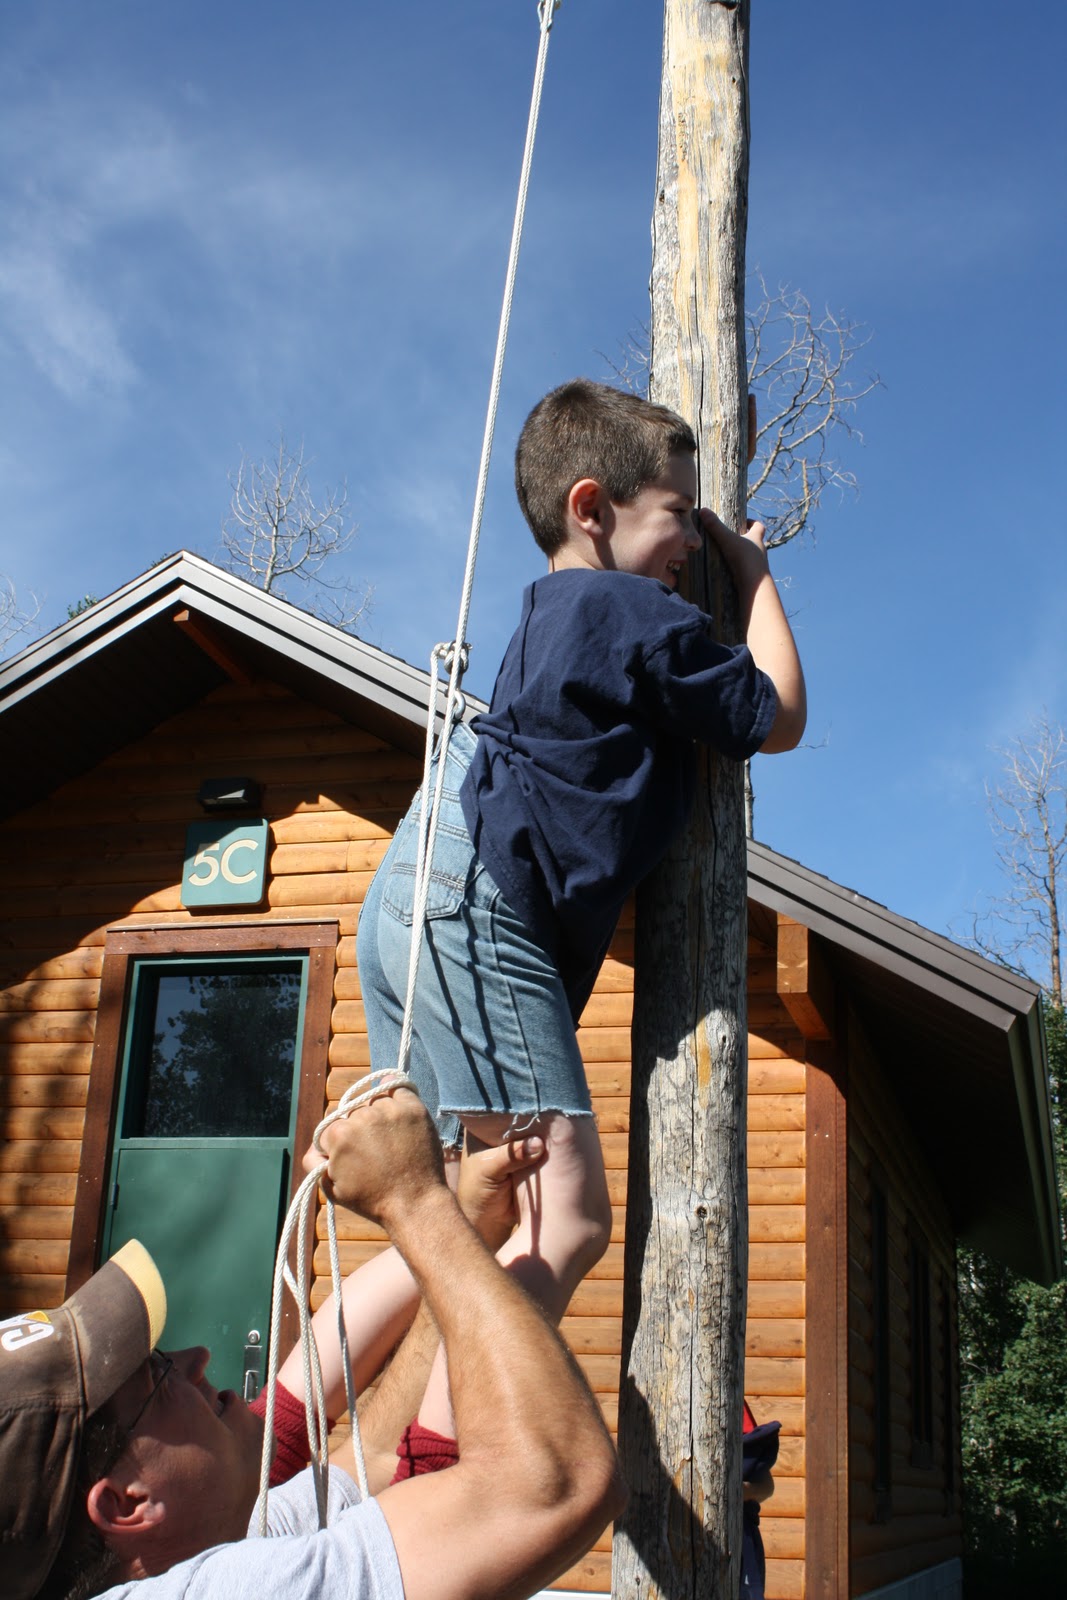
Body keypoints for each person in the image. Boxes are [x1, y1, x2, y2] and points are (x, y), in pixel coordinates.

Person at [354, 377, 807, 1446]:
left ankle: (297, 1419)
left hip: (430, 886)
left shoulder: (558, 613)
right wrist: (752, 570)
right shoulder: (625, 608)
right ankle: (438, 1482)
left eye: (701, 530)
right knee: (571, 1215)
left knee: (478, 1212)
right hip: (474, 901)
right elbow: (777, 712)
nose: (689, 544)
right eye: (677, 518)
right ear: (590, 507)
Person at [0, 1088, 624, 1600]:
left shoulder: (217, 1544)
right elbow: (555, 1485)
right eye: (158, 1375)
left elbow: (374, 1454)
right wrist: (415, 1203)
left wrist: (460, 1227)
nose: (196, 1360)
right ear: (126, 1503)